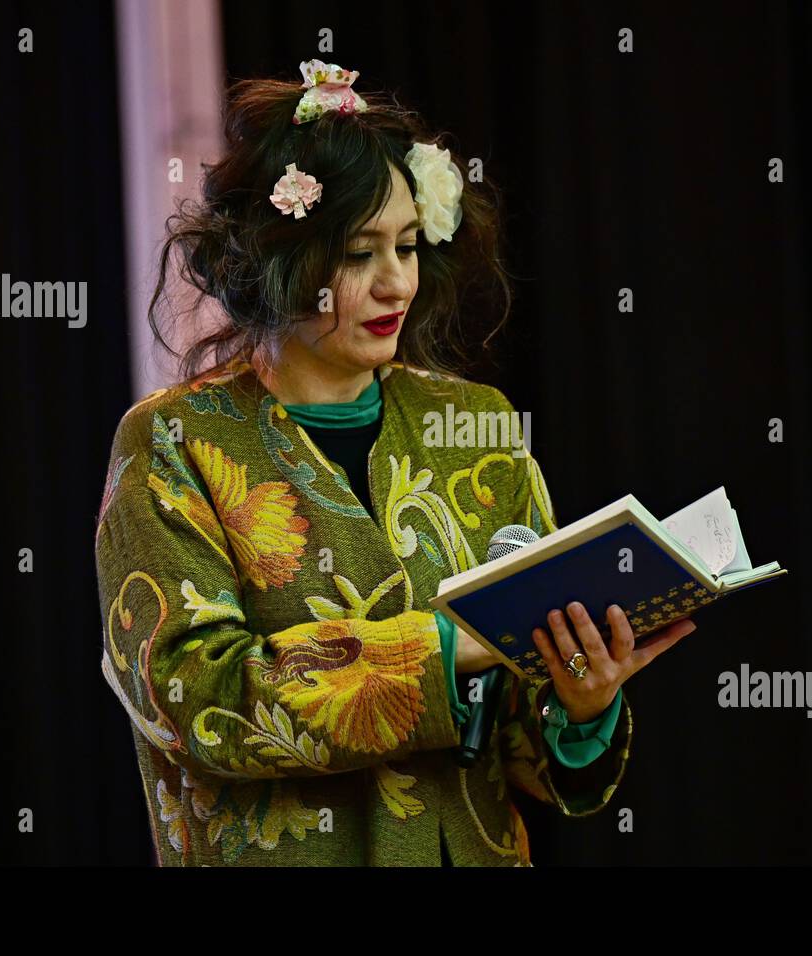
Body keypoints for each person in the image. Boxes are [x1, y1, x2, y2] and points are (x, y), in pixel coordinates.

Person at [93, 59, 695, 866]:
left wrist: (580, 708)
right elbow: (196, 702)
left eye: (408, 247)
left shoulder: (472, 424)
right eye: (356, 252)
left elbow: (525, 750)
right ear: (278, 260)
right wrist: (444, 646)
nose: (395, 284)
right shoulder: (173, 441)